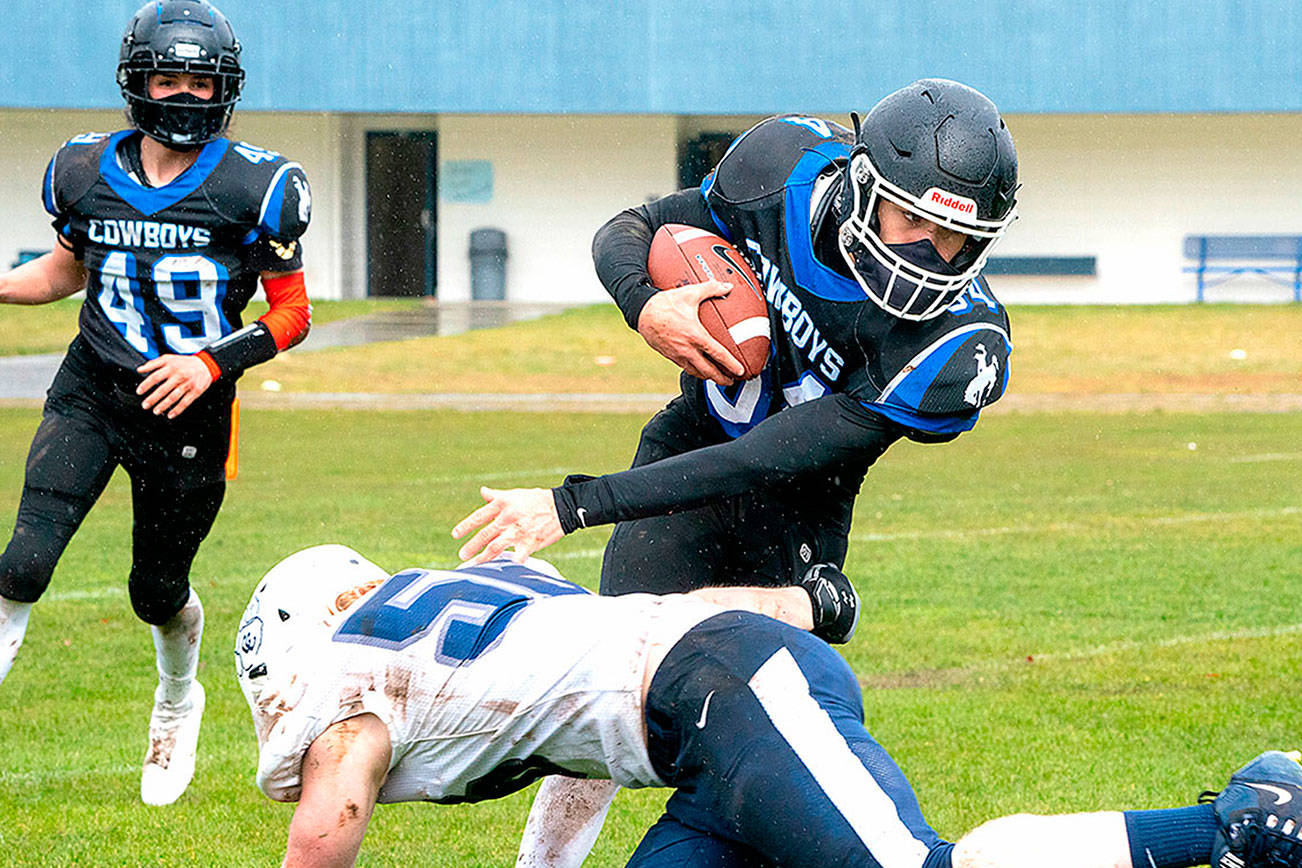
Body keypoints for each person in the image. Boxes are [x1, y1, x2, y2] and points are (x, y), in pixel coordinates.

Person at [238, 545, 1302, 868]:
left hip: (731, 696)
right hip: (702, 732)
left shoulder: (355, 678)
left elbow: (328, 823)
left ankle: (1243, 827)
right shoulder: (474, 605)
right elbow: (582, 727)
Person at [452, 78, 1018, 597]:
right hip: (687, 445)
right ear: (861, 187)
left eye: (956, 237)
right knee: (636, 679)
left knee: (748, 694)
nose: (929, 254)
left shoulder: (958, 346)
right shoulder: (782, 173)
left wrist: (572, 506)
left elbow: (761, 459)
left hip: (796, 512)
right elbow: (632, 227)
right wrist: (643, 304)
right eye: (913, 221)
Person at [0, 0, 312, 806]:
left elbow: (292, 314)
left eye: (199, 81)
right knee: (23, 564)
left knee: (154, 591)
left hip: (191, 410)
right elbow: (65, 271)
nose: (182, 96)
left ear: (225, 88)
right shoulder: (81, 167)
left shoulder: (259, 184)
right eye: (167, 78)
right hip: (93, 387)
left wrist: (212, 364)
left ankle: (177, 697)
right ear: (137, 82)